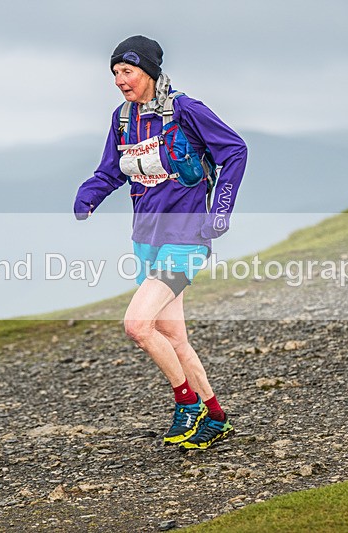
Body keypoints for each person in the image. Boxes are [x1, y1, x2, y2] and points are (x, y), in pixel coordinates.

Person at [74, 35, 247, 450]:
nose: (119, 80)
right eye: (114, 72)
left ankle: (186, 402)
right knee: (173, 337)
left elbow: (235, 151)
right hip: (145, 240)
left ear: (148, 72)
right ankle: (217, 417)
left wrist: (221, 209)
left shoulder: (187, 110)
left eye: (127, 71)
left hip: (186, 237)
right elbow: (112, 170)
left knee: (137, 325)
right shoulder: (122, 119)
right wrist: (89, 194)